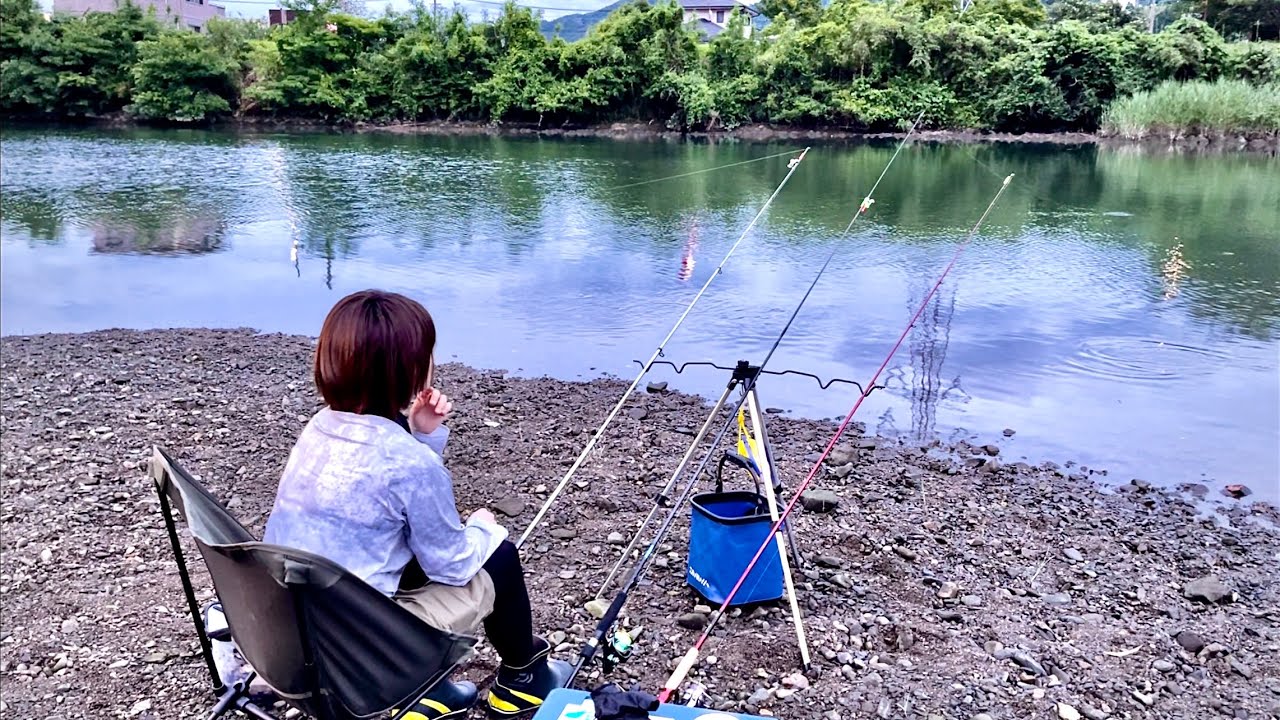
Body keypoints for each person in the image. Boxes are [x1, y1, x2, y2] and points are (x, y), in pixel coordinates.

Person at [264, 289, 571, 718]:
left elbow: (384, 503)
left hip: (289, 635)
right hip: (361, 657)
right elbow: (453, 565)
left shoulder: (319, 427)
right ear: (410, 369)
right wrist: (484, 527)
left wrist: (419, 433)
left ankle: (426, 691)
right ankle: (522, 680)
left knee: (405, 548)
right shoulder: (407, 462)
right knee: (497, 555)